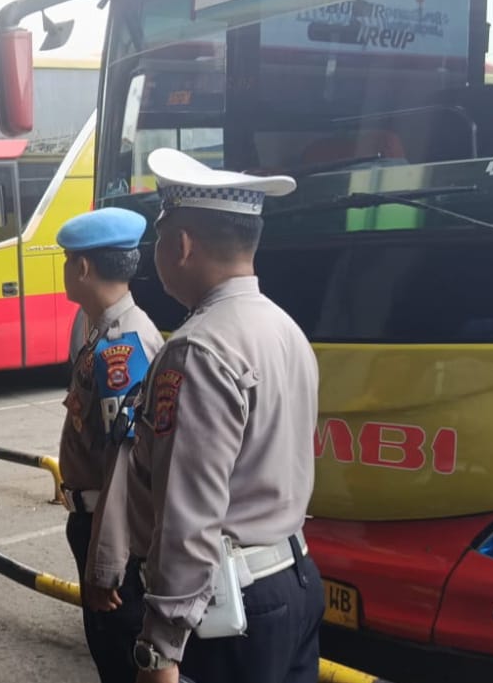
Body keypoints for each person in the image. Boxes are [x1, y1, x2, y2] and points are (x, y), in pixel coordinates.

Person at [125, 148, 324, 683]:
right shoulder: (285, 328)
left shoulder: (198, 350)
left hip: (231, 612)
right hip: (296, 579)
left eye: (159, 238)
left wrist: (160, 648)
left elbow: (188, 518)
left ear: (182, 245)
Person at [57, 207, 164, 683]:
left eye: (67, 260)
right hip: (95, 520)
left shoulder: (123, 347)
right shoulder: (101, 332)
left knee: (120, 658)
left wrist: (107, 564)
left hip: (110, 528)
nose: (65, 269)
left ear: (82, 267)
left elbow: (126, 466)